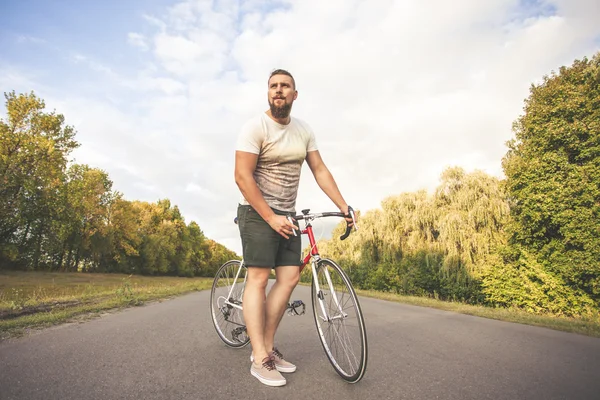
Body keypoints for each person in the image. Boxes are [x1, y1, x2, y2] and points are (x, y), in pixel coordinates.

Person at [234, 69, 356, 387]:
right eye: (273, 86)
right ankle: (259, 357)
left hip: (287, 214)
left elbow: (320, 169)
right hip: (257, 212)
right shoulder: (255, 127)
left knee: (289, 278)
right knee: (259, 278)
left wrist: (344, 207)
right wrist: (270, 217)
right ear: (268, 93)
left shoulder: (304, 131)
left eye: (285, 86)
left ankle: (267, 347)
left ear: (294, 95)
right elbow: (242, 177)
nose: (279, 90)